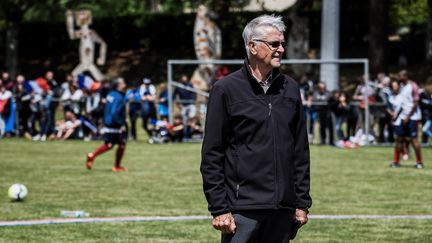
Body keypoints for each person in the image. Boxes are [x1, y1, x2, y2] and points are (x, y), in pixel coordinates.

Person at [200, 15, 311, 242]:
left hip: (283, 209)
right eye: (274, 44)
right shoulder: (225, 89)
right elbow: (212, 152)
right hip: (242, 209)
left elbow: (300, 150)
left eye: (282, 44)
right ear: (252, 46)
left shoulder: (290, 88)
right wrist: (219, 207)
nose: (281, 49)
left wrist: (301, 202)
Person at [86, 77, 128, 172]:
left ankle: (92, 155)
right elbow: (114, 112)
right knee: (120, 144)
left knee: (110, 144)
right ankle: (116, 166)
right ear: (119, 85)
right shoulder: (119, 97)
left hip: (108, 123)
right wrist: (120, 124)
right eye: (123, 83)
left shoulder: (111, 94)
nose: (125, 85)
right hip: (115, 124)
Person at [390, 70, 423, 169]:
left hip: (413, 117)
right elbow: (402, 103)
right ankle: (396, 161)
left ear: (406, 76)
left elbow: (416, 103)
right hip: (402, 117)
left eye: (400, 75)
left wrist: (408, 117)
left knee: (413, 139)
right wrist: (397, 115)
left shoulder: (413, 86)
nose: (399, 77)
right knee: (399, 139)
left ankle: (419, 162)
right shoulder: (402, 87)